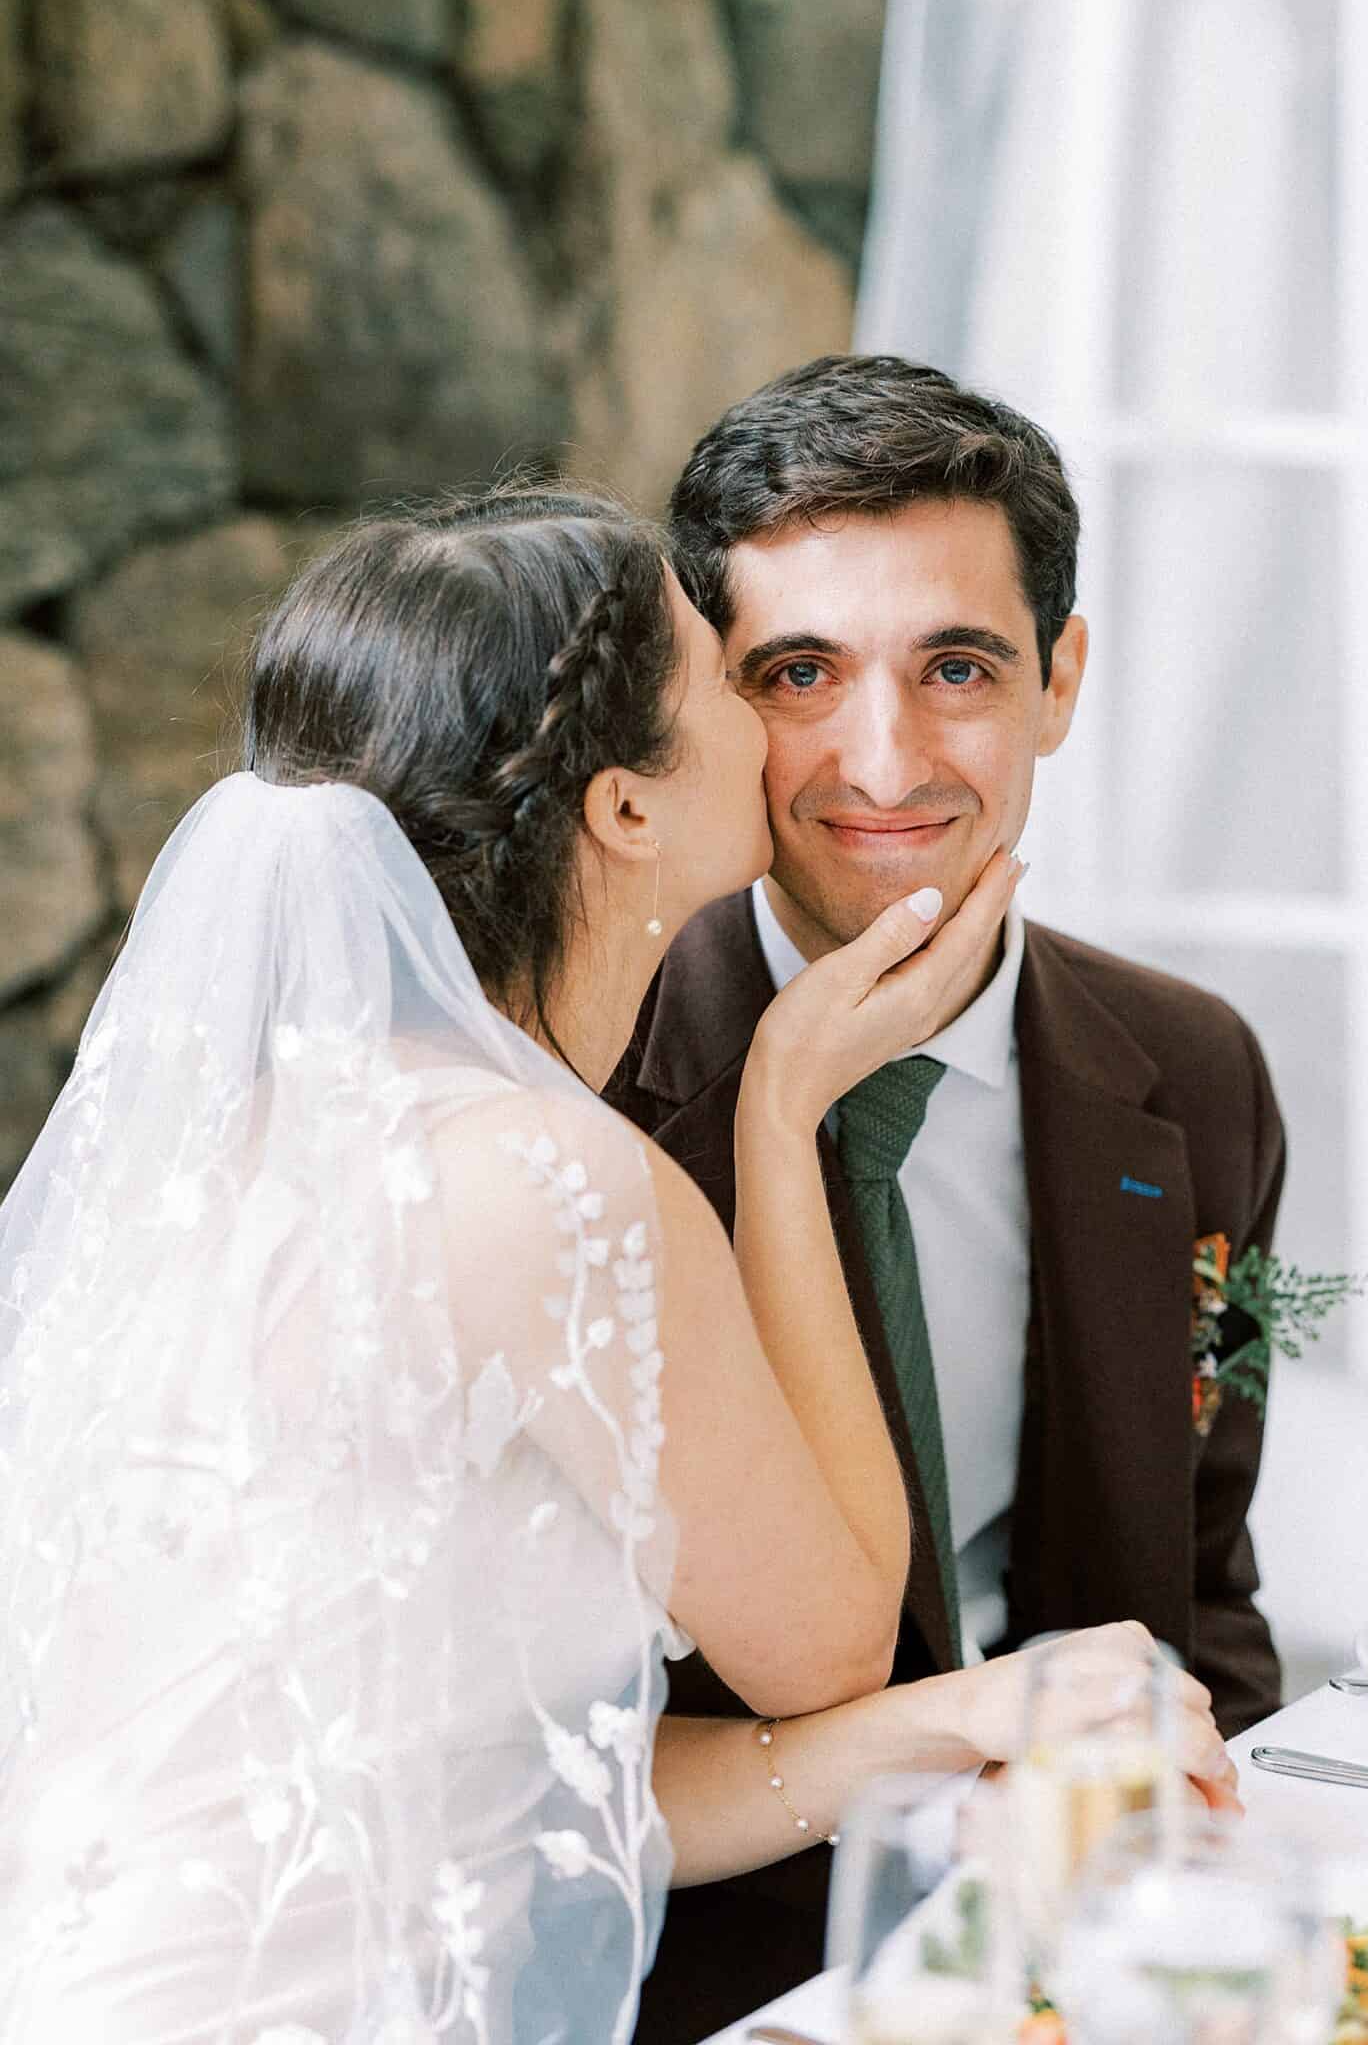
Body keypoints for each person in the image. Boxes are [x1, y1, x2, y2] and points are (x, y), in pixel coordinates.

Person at [0, 487, 1229, 2045]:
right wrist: (785, 1114)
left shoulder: (243, 1146)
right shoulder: (546, 1179)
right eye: (734, 675)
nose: (798, 731)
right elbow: (834, 1640)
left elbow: (499, 1783)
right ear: (626, 811)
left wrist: (972, 1714)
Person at [609, 358, 1286, 2045]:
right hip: (692, 1980)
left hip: (1101, 1939)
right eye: (800, 674)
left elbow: (1205, 1588)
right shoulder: (575, 1109)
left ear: (1061, 679)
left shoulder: (1196, 1076)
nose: (884, 759)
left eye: (959, 666)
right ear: (699, 703)